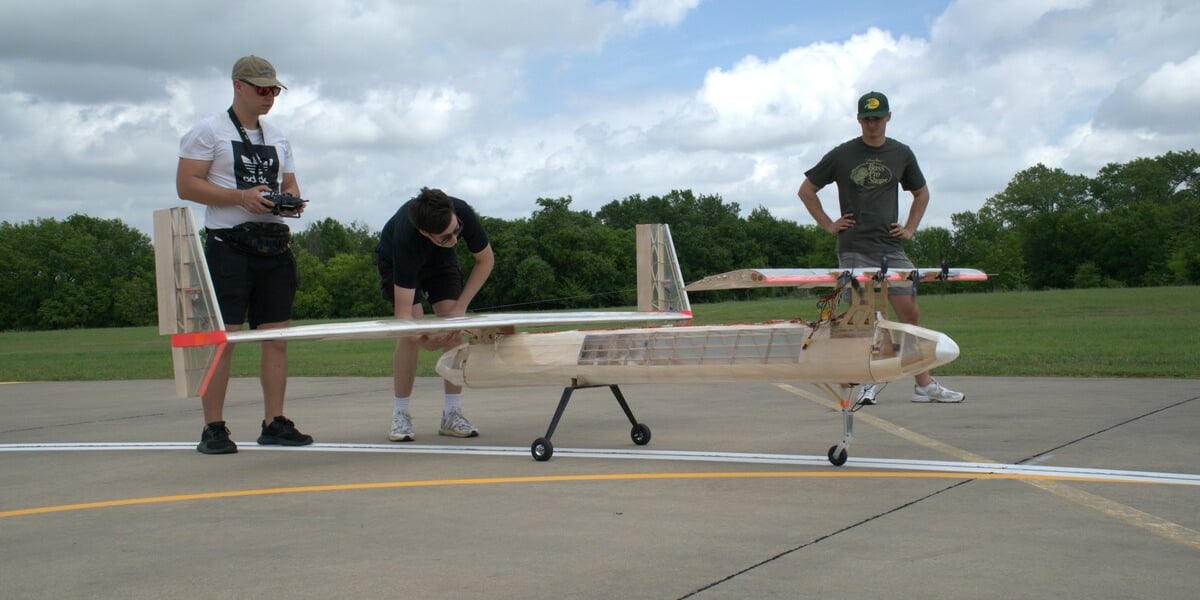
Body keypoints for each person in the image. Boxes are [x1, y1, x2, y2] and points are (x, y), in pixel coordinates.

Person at [176, 55, 314, 454]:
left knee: (276, 338)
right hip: (229, 246)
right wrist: (240, 197)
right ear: (238, 85)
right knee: (223, 339)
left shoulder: (278, 136)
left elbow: (288, 181)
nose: (269, 96)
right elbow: (187, 184)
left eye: (273, 90)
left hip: (273, 244)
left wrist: (288, 202)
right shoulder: (208, 131)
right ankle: (214, 427)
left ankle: (275, 421)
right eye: (261, 89)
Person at [797, 90, 964, 405]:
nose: (872, 124)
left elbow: (922, 193)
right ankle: (869, 380)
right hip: (854, 248)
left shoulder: (901, 153)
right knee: (869, 317)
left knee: (909, 312)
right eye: (867, 118)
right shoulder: (842, 154)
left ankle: (923, 385)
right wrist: (828, 224)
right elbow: (807, 190)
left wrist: (911, 228)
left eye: (878, 118)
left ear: (888, 117)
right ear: (859, 120)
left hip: (891, 248)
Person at [375, 187, 495, 441]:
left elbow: (486, 261)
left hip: (440, 262)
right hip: (397, 263)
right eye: (445, 237)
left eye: (456, 231)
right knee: (409, 336)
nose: (454, 240)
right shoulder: (406, 239)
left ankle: (452, 413)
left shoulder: (461, 211)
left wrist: (459, 310)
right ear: (424, 232)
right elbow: (403, 314)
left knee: (453, 331)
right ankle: (401, 414)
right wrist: (423, 339)